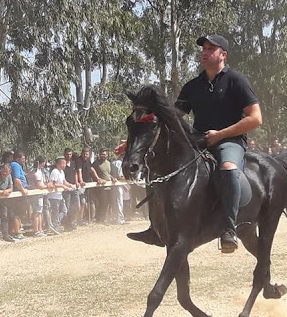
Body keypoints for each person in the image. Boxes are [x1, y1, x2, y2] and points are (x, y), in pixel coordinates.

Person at [130, 34, 261, 253]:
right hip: (199, 141)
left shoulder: (236, 81)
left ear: (223, 55)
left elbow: (255, 118)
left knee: (228, 168)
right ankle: (156, 227)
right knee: (158, 166)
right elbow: (171, 118)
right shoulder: (192, 86)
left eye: (211, 48)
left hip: (230, 141)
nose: (205, 52)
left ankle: (229, 229)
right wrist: (135, 141)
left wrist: (220, 135)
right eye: (204, 49)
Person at [48, 156, 75, 232]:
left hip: (59, 195)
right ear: (60, 164)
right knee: (56, 212)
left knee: (64, 210)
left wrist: (69, 185)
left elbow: (64, 181)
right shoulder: (55, 172)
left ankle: (55, 224)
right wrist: (63, 186)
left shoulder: (61, 172)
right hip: (54, 196)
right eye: (64, 163)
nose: (65, 165)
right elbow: (53, 184)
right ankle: (55, 226)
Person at [91, 149, 113, 223]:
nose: (103, 155)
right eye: (102, 154)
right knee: (102, 203)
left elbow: (108, 173)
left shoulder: (108, 163)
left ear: (107, 155)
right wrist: (98, 179)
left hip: (109, 186)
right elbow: (92, 171)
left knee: (108, 204)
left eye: (104, 154)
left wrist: (112, 178)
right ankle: (100, 219)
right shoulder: (96, 163)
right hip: (101, 187)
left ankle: (105, 218)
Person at [29, 156, 49, 237]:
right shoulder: (36, 172)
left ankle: (40, 229)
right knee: (37, 212)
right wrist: (47, 187)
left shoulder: (40, 171)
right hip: (36, 195)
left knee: (40, 212)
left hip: (40, 195)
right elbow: (38, 185)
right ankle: (36, 230)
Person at [9, 151, 28, 239]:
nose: (24, 160)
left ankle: (17, 231)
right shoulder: (15, 165)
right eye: (23, 158)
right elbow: (16, 179)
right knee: (17, 213)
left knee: (19, 213)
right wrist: (22, 189)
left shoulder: (17, 165)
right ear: (17, 158)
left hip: (20, 191)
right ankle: (17, 232)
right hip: (18, 192)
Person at [62, 148, 80, 230]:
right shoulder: (62, 165)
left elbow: (76, 173)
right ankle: (67, 224)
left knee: (77, 206)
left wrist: (77, 181)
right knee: (68, 207)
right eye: (67, 154)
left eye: (70, 154)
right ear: (64, 155)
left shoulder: (73, 163)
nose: (68, 156)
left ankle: (72, 221)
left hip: (74, 188)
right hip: (66, 190)